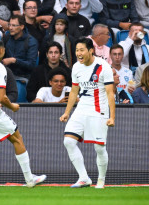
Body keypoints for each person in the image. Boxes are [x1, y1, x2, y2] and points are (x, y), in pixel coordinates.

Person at [0, 38, 47, 188]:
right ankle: (29, 179)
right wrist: (12, 106)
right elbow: (2, 97)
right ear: (1, 51)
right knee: (17, 138)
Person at [59, 37, 115, 189]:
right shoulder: (76, 67)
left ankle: (101, 180)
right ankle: (84, 178)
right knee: (68, 141)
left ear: (91, 50)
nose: (78, 53)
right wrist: (67, 112)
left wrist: (112, 117)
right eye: (77, 50)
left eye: (81, 50)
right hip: (81, 109)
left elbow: (110, 93)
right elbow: (74, 91)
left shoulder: (103, 67)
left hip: (98, 110)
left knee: (99, 148)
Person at [2, 15, 38, 82]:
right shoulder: (7, 37)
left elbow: (31, 65)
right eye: (9, 25)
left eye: (14, 25)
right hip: (7, 75)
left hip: (24, 76)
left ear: (22, 27)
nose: (10, 28)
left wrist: (14, 60)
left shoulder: (31, 41)